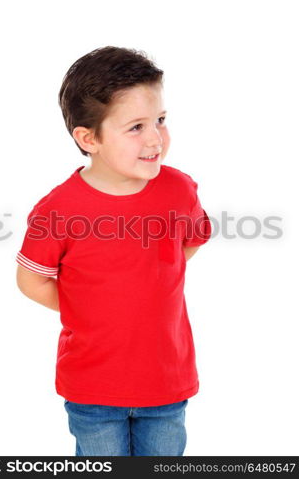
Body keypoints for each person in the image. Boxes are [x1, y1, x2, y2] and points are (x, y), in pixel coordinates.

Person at [15, 46, 212, 456]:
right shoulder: (58, 210)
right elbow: (31, 278)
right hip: (93, 388)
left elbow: (188, 244)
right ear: (89, 139)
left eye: (160, 120)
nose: (156, 138)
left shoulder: (178, 190)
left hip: (166, 382)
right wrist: (88, 304)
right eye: (136, 127)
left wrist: (148, 281)